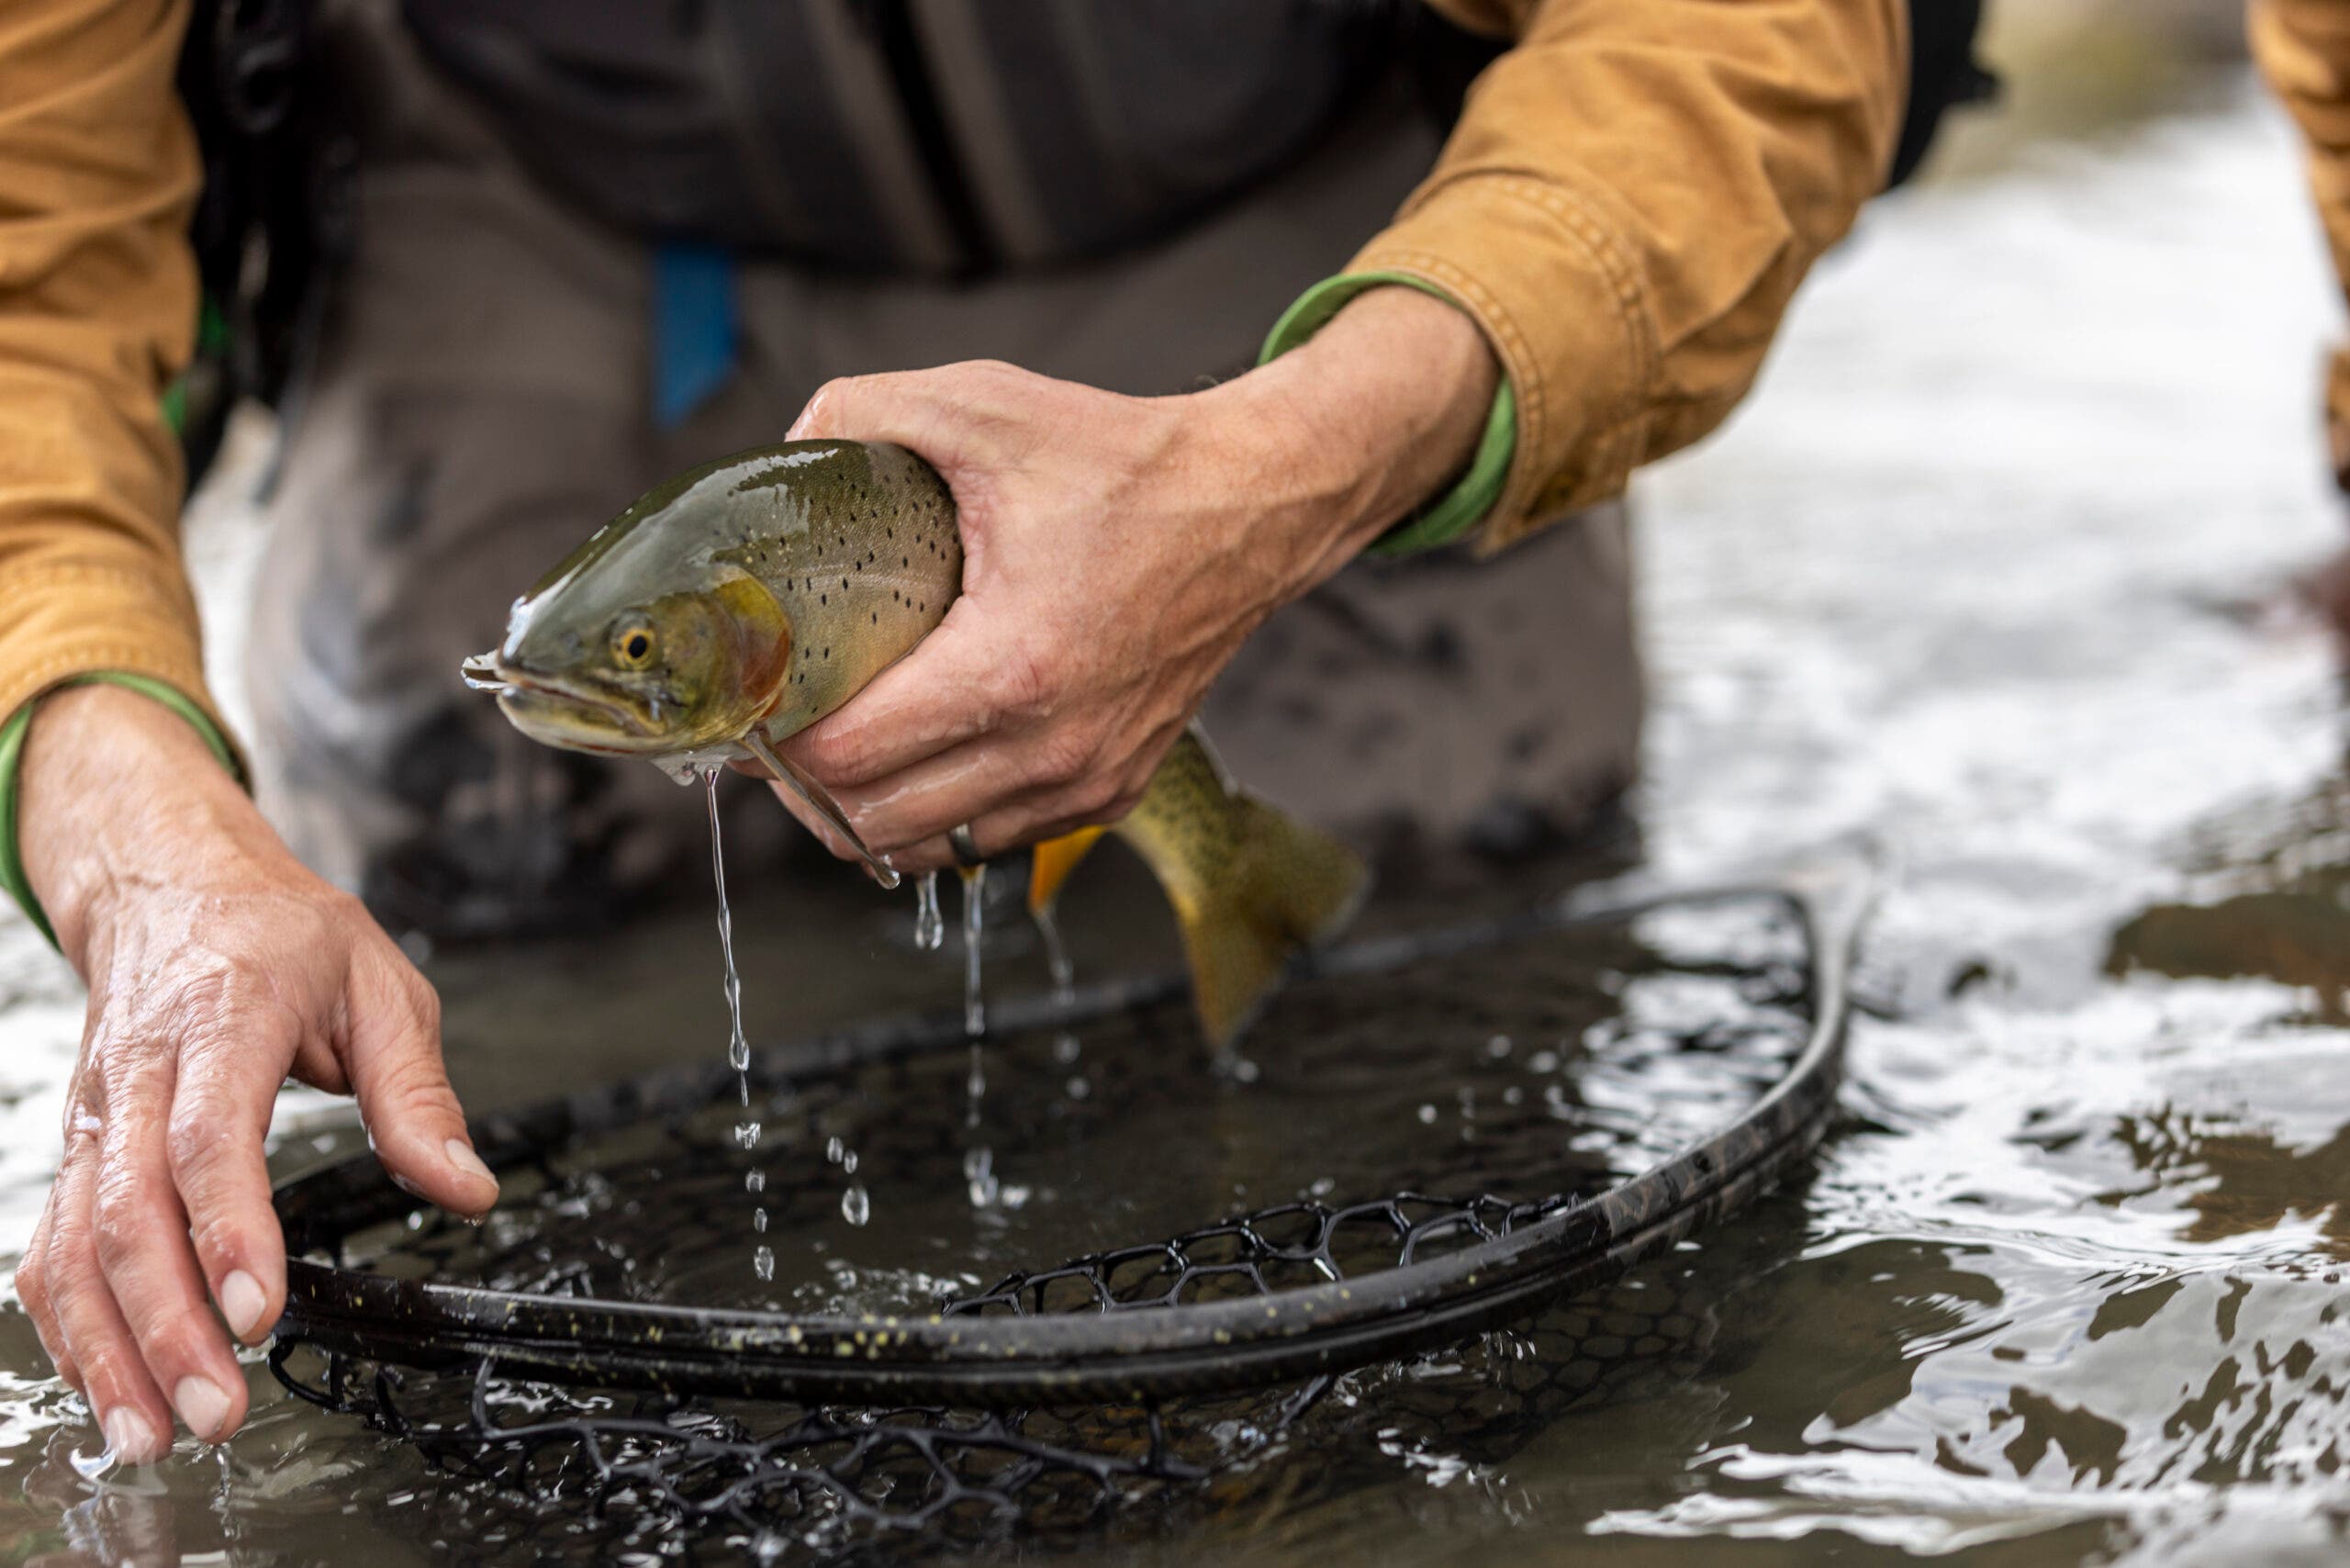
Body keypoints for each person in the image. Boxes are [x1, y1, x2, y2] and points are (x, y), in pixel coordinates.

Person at [0, 0, 1930, 1461]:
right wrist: (136, 828)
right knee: (464, 942)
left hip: (1296, 193)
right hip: (534, 194)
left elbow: (1730, 34)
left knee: (1462, 936)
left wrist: (1291, 461)